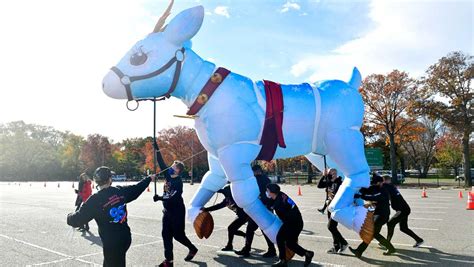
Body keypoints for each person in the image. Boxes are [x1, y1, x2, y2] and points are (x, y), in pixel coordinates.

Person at [67, 166, 153, 267]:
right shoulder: (119, 191)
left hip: (112, 242)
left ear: (96, 181)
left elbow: (77, 219)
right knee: (111, 262)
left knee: (114, 262)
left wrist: (69, 216)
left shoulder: (95, 200)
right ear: (109, 179)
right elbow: (137, 188)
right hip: (125, 237)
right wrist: (149, 179)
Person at [154, 161, 198, 267]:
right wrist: (156, 148)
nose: (170, 167)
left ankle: (192, 248)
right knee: (166, 235)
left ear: (177, 170)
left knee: (178, 236)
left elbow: (172, 197)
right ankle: (169, 261)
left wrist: (159, 197)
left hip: (177, 212)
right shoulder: (168, 176)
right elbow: (162, 165)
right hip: (167, 212)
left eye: (173, 166)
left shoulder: (178, 182)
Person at [266, 183, 314, 267]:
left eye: (267, 191)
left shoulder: (278, 204)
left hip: (292, 223)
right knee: (290, 243)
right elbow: (272, 202)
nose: (267, 192)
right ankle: (307, 254)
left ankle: (283, 261)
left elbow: (274, 207)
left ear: (272, 192)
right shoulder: (280, 194)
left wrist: (269, 206)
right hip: (296, 222)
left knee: (280, 238)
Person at [349, 174, 396, 258]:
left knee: (372, 233)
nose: (373, 185)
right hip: (377, 214)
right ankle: (390, 248)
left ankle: (359, 251)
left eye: (375, 183)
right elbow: (365, 190)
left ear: (380, 183)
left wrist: (361, 196)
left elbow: (374, 197)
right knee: (374, 233)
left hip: (383, 215)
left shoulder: (383, 190)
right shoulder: (374, 187)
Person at [235, 164, 277, 258]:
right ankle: (268, 249)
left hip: (261, 209)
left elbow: (262, 194)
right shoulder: (266, 179)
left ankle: (268, 250)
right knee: (254, 229)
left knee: (255, 229)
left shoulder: (259, 179)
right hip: (264, 208)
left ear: (257, 171)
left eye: (253, 172)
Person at [202, 184, 247, 251]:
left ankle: (229, 245)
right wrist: (206, 209)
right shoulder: (226, 200)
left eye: (227, 191)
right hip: (240, 215)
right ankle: (245, 235)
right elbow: (218, 206)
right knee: (232, 229)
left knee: (231, 228)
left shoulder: (235, 197)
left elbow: (225, 192)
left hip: (246, 215)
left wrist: (215, 189)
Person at [382, 175, 424, 247]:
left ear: (385, 181)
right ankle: (419, 240)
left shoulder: (387, 186)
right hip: (404, 209)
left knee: (390, 223)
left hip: (402, 210)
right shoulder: (391, 186)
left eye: (382, 180)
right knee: (403, 228)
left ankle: (386, 243)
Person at [317, 168, 348, 254]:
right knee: (332, 228)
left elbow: (339, 195)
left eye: (334, 173)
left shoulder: (339, 183)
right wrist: (324, 176)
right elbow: (319, 185)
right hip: (330, 208)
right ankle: (336, 246)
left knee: (330, 227)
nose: (332, 174)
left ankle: (343, 243)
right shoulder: (329, 182)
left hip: (336, 209)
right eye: (330, 173)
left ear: (337, 173)